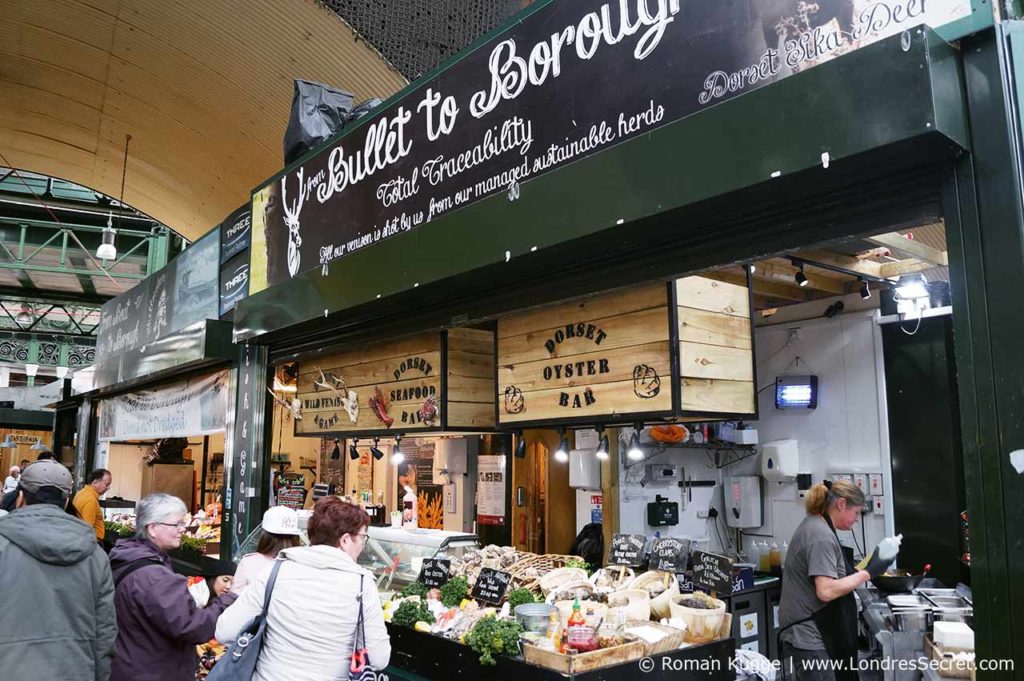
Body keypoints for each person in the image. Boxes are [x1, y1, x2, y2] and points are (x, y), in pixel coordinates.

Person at [217, 498, 391, 680]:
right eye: (363, 537)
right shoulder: (363, 585)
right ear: (346, 540)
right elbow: (378, 658)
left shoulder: (275, 571)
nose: (363, 545)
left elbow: (225, 631)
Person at [0, 460, 116, 680]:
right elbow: (105, 631)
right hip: (74, 671)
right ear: (65, 503)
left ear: (21, 498)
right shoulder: (95, 556)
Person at [109, 493, 238, 681]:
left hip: (131, 664)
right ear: (152, 528)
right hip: (153, 671)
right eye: (176, 524)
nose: (182, 529)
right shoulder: (156, 577)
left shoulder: (131, 557)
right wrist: (229, 599)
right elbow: (192, 627)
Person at [778, 480, 897, 681]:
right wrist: (869, 572)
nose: (857, 519)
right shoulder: (820, 535)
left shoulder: (816, 524)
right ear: (841, 504)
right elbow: (825, 591)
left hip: (812, 634)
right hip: (811, 639)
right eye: (857, 512)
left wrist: (868, 565)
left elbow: (833, 574)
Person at [231, 505, 303, 593]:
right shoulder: (302, 565)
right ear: (295, 537)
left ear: (264, 535)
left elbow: (234, 597)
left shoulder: (249, 562)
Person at [74, 468, 112, 541]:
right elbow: (88, 530)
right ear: (95, 483)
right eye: (107, 484)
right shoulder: (90, 500)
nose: (108, 488)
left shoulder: (81, 493)